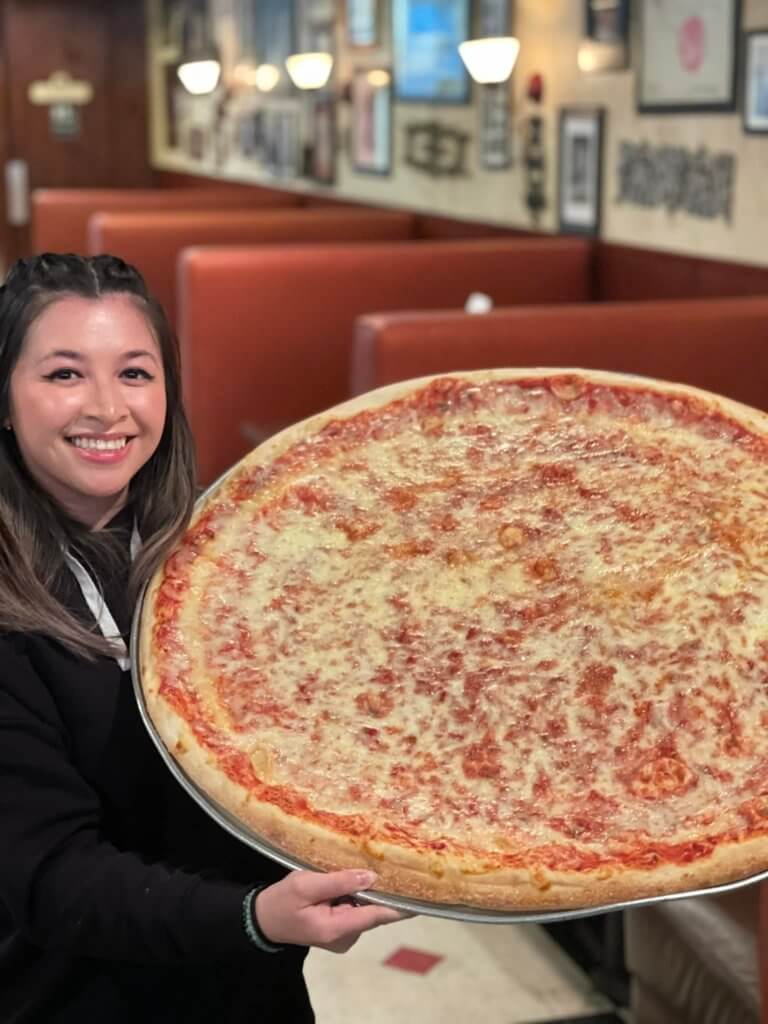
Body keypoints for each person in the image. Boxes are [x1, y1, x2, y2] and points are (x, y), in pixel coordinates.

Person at [0, 253, 405, 1023]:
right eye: (64, 374)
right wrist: (255, 917)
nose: (107, 408)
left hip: (252, 991)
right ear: (6, 400)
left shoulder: (224, 556)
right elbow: (50, 877)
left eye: (134, 373)